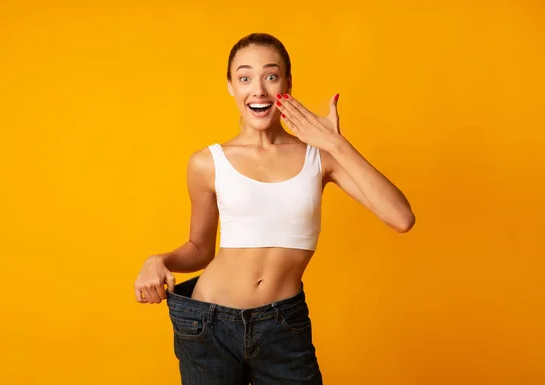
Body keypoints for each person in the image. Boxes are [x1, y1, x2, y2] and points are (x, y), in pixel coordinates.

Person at [134, 32, 415, 385]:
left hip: (282, 326)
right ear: (231, 87)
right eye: (245, 77)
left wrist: (337, 144)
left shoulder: (320, 155)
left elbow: (401, 218)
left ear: (287, 83)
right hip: (207, 324)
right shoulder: (207, 163)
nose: (259, 90)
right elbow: (200, 250)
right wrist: (158, 260)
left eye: (270, 75)